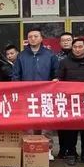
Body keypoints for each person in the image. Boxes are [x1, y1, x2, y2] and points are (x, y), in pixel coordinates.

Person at [12, 28, 59, 160]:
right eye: (30, 37)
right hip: (27, 95)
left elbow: (56, 73)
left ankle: (47, 149)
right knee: (28, 124)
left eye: (36, 36)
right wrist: (18, 89)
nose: (33, 39)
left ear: (41, 38)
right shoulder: (21, 56)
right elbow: (16, 75)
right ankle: (29, 147)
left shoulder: (50, 55)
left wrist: (55, 80)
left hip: (45, 95)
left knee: (46, 124)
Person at [57, 38, 84, 166]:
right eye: (75, 47)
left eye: (80, 47)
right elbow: (60, 78)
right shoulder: (64, 62)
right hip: (71, 101)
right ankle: (71, 153)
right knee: (71, 130)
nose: (77, 49)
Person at [55, 32, 74, 157]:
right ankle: (62, 149)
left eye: (68, 40)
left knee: (74, 125)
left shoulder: (80, 55)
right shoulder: (56, 57)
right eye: (63, 40)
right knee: (61, 123)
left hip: (76, 95)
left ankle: (72, 150)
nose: (66, 42)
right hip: (60, 95)